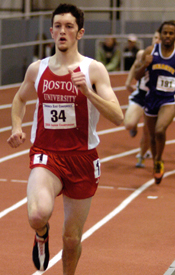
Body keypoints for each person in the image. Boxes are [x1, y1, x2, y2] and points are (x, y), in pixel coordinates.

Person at [7, 3, 124, 274]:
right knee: (37, 213)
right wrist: (16, 127)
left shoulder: (93, 70)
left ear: (79, 33)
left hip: (83, 159)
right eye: (58, 26)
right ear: (51, 31)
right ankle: (41, 233)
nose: (63, 32)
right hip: (46, 154)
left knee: (71, 239)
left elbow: (118, 116)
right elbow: (19, 99)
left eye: (69, 27)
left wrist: (88, 92)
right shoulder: (37, 69)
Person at [134, 20, 175, 184]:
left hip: (170, 98)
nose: (167, 36)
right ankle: (157, 161)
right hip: (152, 97)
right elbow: (137, 76)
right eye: (165, 33)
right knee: (153, 136)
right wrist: (144, 65)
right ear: (160, 35)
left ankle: (159, 160)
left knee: (160, 130)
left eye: (171, 33)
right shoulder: (150, 51)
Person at [124, 31, 160, 168]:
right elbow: (134, 66)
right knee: (128, 124)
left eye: (159, 38)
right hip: (141, 94)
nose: (157, 40)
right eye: (155, 37)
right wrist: (128, 82)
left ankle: (142, 154)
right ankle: (134, 126)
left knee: (148, 131)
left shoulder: (166, 58)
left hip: (155, 97)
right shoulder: (142, 53)